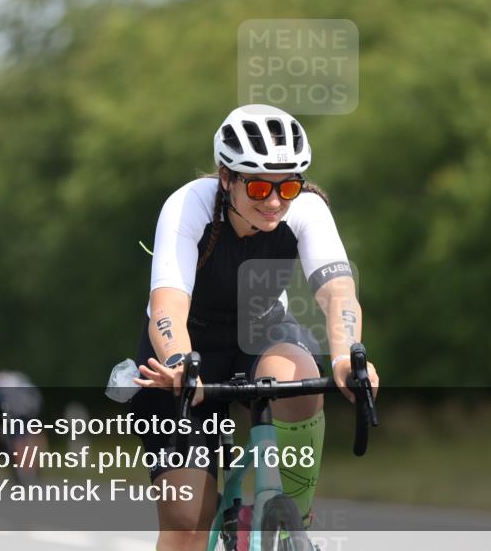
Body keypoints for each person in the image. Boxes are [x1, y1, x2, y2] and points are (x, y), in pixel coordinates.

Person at [131, 104, 380, 551]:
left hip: (259, 332)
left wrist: (345, 356)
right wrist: (178, 363)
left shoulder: (307, 209)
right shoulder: (189, 206)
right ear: (226, 178)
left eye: (288, 187)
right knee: (187, 520)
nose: (274, 202)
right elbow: (167, 303)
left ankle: (293, 520)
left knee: (301, 376)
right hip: (189, 344)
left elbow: (338, 293)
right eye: (260, 186)